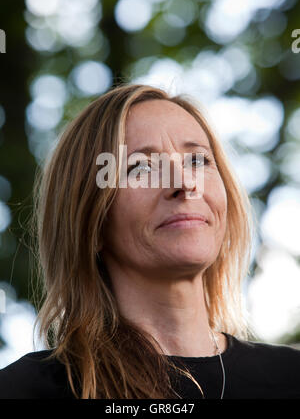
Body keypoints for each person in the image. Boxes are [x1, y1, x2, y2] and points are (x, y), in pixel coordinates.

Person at [0, 83, 299, 399]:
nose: (184, 183)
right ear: (92, 221)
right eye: (140, 167)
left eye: (197, 160)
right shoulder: (26, 390)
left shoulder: (291, 377)